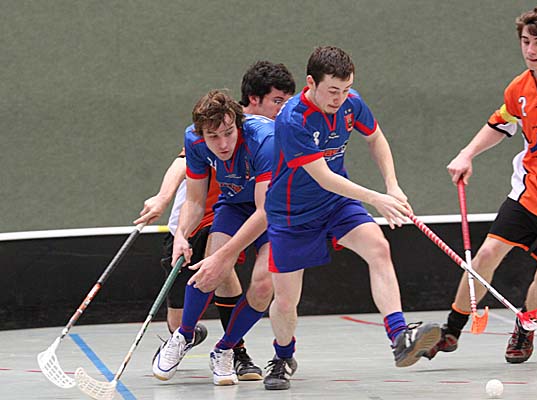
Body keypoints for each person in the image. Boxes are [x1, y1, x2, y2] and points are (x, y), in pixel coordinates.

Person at [425, 5, 537, 364]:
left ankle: (524, 329)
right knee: (485, 255)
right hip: (528, 191)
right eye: (525, 41)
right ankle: (452, 330)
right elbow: (500, 123)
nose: (530, 50)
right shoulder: (519, 88)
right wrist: (467, 154)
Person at [263, 46, 441, 391]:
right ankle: (283, 356)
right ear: (311, 83)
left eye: (346, 90)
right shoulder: (293, 119)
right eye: (333, 90)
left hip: (336, 203)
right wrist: (377, 198)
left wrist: (393, 185)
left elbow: (376, 139)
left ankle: (399, 337)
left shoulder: (350, 103)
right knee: (285, 301)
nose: (340, 98)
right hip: (292, 215)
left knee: (378, 247)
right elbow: (322, 176)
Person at [138, 61, 295, 381]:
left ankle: (225, 348)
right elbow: (196, 200)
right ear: (201, 135)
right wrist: (182, 234)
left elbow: (264, 212)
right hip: (233, 206)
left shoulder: (264, 139)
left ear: (238, 124)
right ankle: (182, 336)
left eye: (228, 134)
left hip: (273, 211)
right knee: (210, 271)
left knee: (263, 285)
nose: (223, 144)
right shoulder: (194, 141)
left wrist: (223, 255)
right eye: (213, 137)